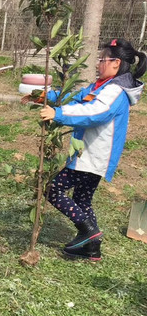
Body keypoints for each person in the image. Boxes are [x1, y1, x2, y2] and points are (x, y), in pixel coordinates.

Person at [39, 38, 145, 261]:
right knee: (82, 199)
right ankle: (91, 249)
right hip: (89, 155)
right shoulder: (101, 86)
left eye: (102, 59)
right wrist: (46, 96)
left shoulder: (115, 91)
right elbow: (74, 97)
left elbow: (95, 112)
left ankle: (88, 231)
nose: (98, 63)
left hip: (93, 155)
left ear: (116, 63)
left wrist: (57, 115)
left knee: (53, 190)